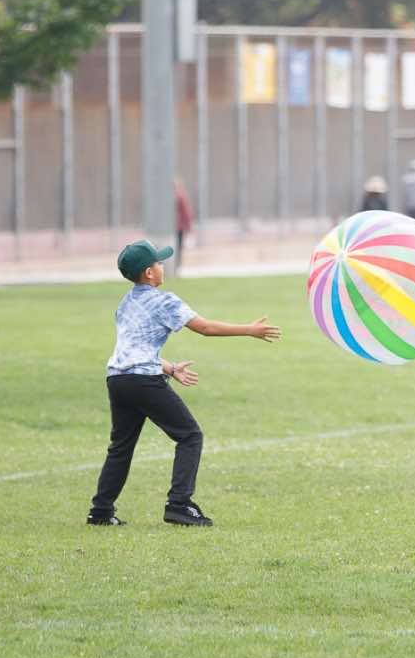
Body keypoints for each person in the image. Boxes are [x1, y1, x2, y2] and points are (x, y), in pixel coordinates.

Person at [87, 239, 281, 529]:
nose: (162, 266)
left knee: (121, 447)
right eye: (159, 263)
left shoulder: (126, 303)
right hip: (143, 381)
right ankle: (179, 505)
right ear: (149, 273)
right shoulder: (164, 301)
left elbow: (133, 349)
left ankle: (100, 511)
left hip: (118, 379)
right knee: (190, 436)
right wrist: (248, 330)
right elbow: (205, 327)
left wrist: (170, 368)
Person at [173, 177, 193, 265]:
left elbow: (186, 212)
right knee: (178, 247)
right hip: (177, 226)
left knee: (176, 246)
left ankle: (176, 264)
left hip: (177, 226)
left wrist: (188, 226)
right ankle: (177, 264)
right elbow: (187, 212)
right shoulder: (180, 196)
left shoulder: (179, 196)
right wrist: (188, 226)